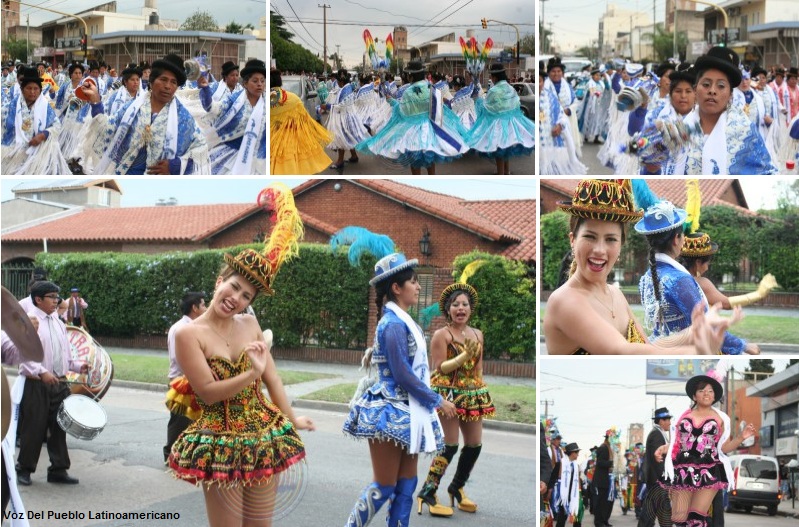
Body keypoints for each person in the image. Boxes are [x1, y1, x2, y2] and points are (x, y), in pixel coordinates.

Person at [168, 183, 315, 527]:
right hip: (220, 438)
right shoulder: (187, 334)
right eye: (234, 286)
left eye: (246, 295)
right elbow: (206, 391)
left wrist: (291, 418)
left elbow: (272, 377)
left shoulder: (250, 324)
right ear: (219, 280)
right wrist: (251, 373)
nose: (236, 298)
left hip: (263, 434)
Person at [543, 179, 736, 355]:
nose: (600, 250)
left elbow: (648, 346)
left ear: (621, 246)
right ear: (572, 240)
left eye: (611, 239)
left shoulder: (615, 294)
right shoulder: (564, 301)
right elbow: (621, 351)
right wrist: (698, 351)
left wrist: (694, 332)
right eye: (590, 237)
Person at [342, 253, 457, 526]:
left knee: (407, 483)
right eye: (414, 282)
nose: (418, 287)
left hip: (408, 409)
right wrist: (436, 400)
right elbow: (402, 373)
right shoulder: (393, 323)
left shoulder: (404, 321)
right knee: (384, 485)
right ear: (397, 287)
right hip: (389, 408)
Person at [633, 183, 746, 355]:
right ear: (676, 239)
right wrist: (743, 346)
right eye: (683, 235)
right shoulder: (679, 280)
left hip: (660, 347)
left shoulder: (646, 278)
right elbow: (705, 327)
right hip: (685, 351)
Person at [417, 282, 495, 516]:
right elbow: (440, 368)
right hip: (448, 393)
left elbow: (478, 367)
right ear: (448, 309)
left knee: (474, 446)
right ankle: (428, 493)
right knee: (450, 446)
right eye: (455, 304)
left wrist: (478, 387)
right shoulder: (442, 335)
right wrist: (463, 356)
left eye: (465, 304)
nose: (460, 308)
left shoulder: (478, 334)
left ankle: (457, 488)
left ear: (471, 308)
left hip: (472, 394)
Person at [645, 47, 777, 174]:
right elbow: (654, 173)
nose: (712, 91)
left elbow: (767, 174)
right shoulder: (679, 128)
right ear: (696, 89)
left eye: (721, 86)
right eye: (706, 84)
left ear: (731, 95)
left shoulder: (745, 134)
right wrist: (652, 167)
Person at [654, 373, 756, 527]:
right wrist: (663, 448)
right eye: (701, 391)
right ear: (694, 396)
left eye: (710, 391)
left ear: (714, 396)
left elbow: (723, 448)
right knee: (679, 518)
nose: (706, 394)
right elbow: (679, 443)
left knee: (696, 518)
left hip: (709, 472)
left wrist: (742, 437)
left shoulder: (721, 419)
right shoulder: (684, 417)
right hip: (683, 471)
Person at [83, 53, 210, 174]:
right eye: (163, 79)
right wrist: (95, 100)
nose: (168, 86)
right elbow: (107, 129)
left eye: (173, 82)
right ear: (152, 81)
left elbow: (200, 149)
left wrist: (175, 165)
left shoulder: (182, 117)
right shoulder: (132, 109)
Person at [16, 281, 88, 486]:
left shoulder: (57, 320)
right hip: (36, 384)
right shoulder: (30, 322)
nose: (57, 301)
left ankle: (58, 469)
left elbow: (63, 352)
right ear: (38, 300)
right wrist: (42, 372)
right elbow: (25, 355)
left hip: (59, 383)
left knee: (59, 429)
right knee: (34, 429)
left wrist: (76, 366)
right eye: (52, 297)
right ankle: (24, 469)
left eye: (57, 297)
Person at [356, 61, 469, 175]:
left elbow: (402, 112)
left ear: (411, 76)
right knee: (430, 156)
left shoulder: (409, 92)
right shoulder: (431, 87)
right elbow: (439, 109)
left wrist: (391, 100)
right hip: (431, 128)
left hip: (412, 131)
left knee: (414, 161)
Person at [680, 231, 779, 355]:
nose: (709, 265)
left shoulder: (676, 278)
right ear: (698, 262)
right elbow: (725, 304)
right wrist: (758, 294)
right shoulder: (700, 282)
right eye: (708, 261)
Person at [197, 59, 266, 175]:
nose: (259, 84)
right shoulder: (235, 100)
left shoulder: (268, 104)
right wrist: (204, 89)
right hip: (231, 154)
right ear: (245, 83)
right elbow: (213, 108)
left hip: (257, 158)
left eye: (262, 81)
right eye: (255, 81)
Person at [465, 63, 535, 174]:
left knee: (499, 150)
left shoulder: (494, 91)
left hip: (497, 124)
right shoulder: (510, 88)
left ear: (495, 77)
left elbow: (486, 107)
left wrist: (477, 100)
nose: (491, 79)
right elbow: (516, 104)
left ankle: (501, 173)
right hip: (512, 123)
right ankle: (506, 172)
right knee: (506, 149)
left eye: (491, 77)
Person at [1, 66, 71, 175]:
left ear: (40, 90)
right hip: (15, 152)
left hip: (38, 153)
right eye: (29, 88)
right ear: (22, 89)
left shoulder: (44, 106)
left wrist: (44, 134)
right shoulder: (12, 106)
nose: (32, 92)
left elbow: (56, 125)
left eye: (35, 88)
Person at [162, 291, 206, 463]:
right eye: (203, 304)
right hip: (180, 383)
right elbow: (178, 358)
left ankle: (187, 456)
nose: (206, 307)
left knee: (193, 421)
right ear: (194, 308)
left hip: (193, 381)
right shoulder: (180, 329)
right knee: (179, 421)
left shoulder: (195, 327)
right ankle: (170, 456)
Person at [269, 68, 333, 174]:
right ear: (279, 81)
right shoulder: (293, 99)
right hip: (290, 143)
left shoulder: (262, 100)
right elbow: (305, 122)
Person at [538, 67, 587, 175]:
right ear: (549, 74)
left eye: (540, 81)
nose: (556, 74)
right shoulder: (543, 94)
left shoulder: (552, 96)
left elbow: (567, 108)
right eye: (553, 71)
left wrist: (560, 125)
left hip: (560, 132)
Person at [638, 408, 673, 527]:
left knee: (650, 512)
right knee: (659, 512)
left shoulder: (660, 434)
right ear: (661, 421)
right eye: (668, 420)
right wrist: (665, 479)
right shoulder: (656, 435)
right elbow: (658, 461)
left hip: (656, 481)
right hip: (658, 480)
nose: (670, 422)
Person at [556, 443, 584, 527]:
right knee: (562, 517)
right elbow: (556, 478)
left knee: (577, 514)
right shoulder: (561, 463)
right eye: (576, 452)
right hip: (563, 495)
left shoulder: (576, 465)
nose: (578, 455)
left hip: (574, 494)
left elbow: (578, 479)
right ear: (572, 453)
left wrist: (579, 492)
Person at [593, 432, 614, 527]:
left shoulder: (610, 449)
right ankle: (598, 522)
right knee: (600, 502)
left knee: (607, 502)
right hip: (601, 480)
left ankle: (605, 520)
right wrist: (612, 463)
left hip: (608, 480)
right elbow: (600, 462)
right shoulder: (603, 448)